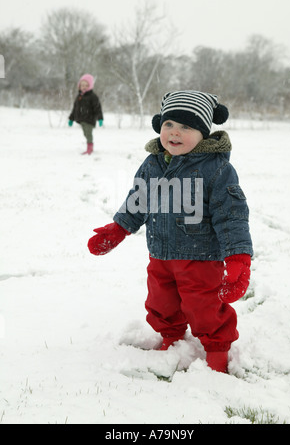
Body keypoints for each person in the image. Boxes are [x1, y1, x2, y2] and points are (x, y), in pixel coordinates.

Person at [87, 90, 253, 373]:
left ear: (203, 133)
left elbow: (232, 216)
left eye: (186, 127)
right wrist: (118, 228)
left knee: (204, 307)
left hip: (199, 258)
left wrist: (238, 258)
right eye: (169, 125)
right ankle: (171, 337)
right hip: (160, 253)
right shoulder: (153, 163)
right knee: (160, 302)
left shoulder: (217, 169)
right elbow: (138, 200)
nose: (175, 133)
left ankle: (217, 350)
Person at [68, 74, 104, 155]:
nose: (84, 87)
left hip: (90, 119)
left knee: (88, 133)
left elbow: (97, 108)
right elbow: (75, 108)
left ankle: (90, 148)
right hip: (82, 119)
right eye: (82, 85)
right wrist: (71, 118)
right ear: (79, 85)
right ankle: (89, 145)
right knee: (85, 133)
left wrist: (100, 118)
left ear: (90, 86)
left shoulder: (92, 96)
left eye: (86, 85)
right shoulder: (79, 96)